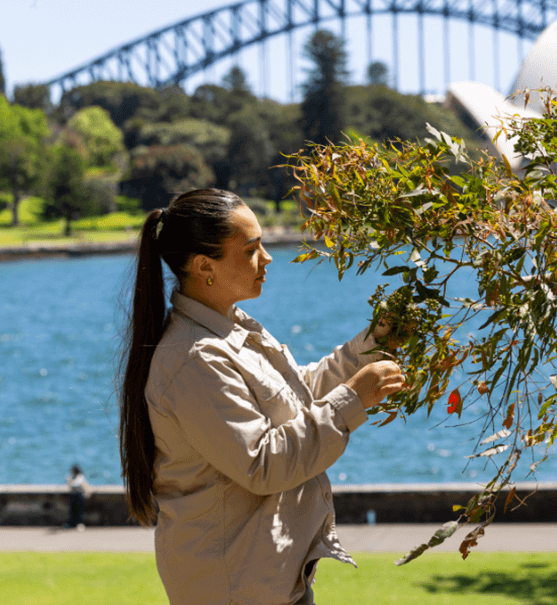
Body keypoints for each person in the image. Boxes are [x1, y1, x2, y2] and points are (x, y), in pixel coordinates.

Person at [117, 188, 406, 605]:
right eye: (251, 249)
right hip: (233, 587)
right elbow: (264, 463)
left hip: (266, 578)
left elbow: (294, 398)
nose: (267, 258)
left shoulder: (227, 329)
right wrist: (351, 399)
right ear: (204, 266)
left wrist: (371, 346)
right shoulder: (194, 359)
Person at [64, 464, 91, 530]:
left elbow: (85, 486)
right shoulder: (70, 477)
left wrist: (87, 493)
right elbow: (69, 485)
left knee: (79, 511)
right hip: (73, 495)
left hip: (79, 496)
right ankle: (70, 523)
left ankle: (79, 524)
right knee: (72, 510)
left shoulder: (81, 477)